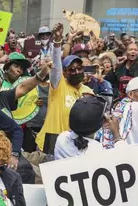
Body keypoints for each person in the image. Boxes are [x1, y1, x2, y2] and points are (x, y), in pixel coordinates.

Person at [35, 23, 94, 154]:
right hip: (49, 144)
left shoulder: (88, 92)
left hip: (73, 148)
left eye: (79, 68)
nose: (76, 72)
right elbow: (56, 64)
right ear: (65, 72)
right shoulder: (59, 84)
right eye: (72, 70)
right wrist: (57, 40)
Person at [54, 95, 123, 159]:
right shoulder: (97, 150)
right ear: (102, 124)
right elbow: (125, 157)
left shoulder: (61, 138)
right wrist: (117, 135)